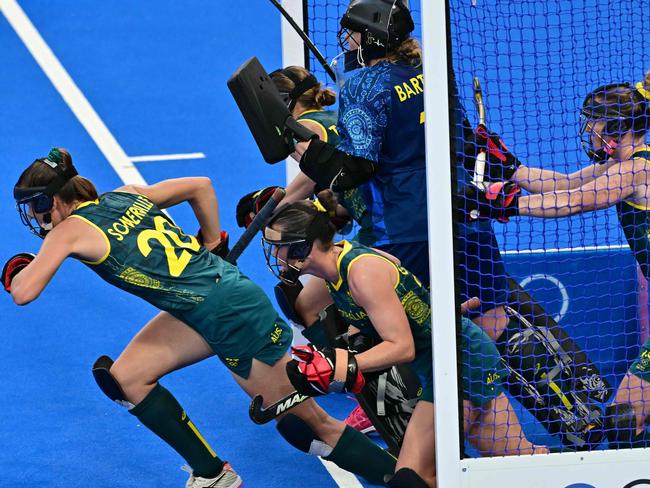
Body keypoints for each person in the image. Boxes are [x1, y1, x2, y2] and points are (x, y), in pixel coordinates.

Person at [2, 148, 397, 487]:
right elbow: (201, 186)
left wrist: (17, 270)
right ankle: (212, 474)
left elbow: (24, 292)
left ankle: (409, 480)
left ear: (49, 202)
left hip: (229, 316)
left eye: (34, 207)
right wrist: (211, 242)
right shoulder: (126, 195)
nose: (35, 217)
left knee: (312, 426)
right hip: (204, 302)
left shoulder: (66, 231)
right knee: (126, 377)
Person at [261, 191, 548, 487]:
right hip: (443, 366)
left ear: (301, 247)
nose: (274, 256)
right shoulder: (342, 264)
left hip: (461, 366)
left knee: (419, 478)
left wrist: (347, 365)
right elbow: (394, 274)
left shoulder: (361, 273)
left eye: (278, 248)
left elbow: (403, 347)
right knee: (513, 463)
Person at [462, 71, 650, 448]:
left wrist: (506, 203)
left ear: (613, 127)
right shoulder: (623, 164)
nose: (589, 130)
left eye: (593, 122)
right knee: (624, 419)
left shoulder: (638, 168)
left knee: (626, 419)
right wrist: (511, 169)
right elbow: (565, 185)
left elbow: (575, 202)